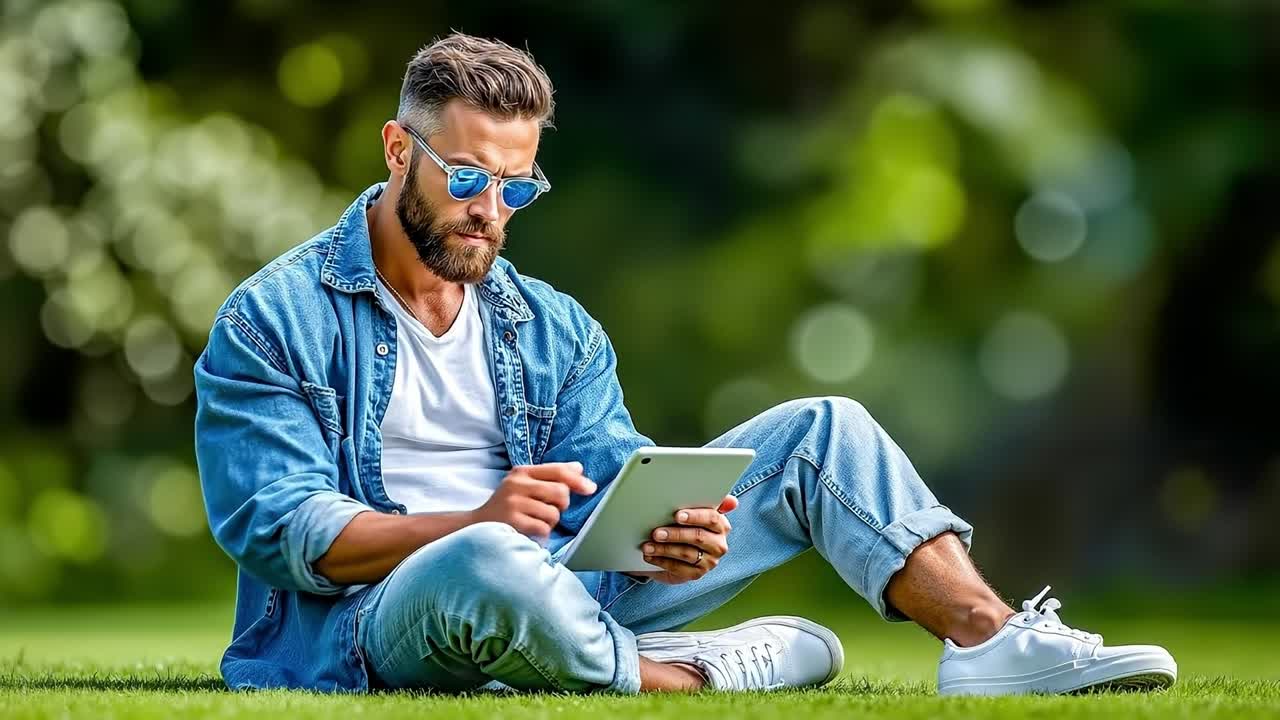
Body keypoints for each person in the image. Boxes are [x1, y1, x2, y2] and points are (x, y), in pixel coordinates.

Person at [193, 32, 1178, 696]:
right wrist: (475, 520)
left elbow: (610, 483)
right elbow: (285, 531)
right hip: (369, 623)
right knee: (489, 559)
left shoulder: (551, 327)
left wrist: (665, 534)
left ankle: (986, 639)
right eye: (463, 178)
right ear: (396, 149)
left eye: (513, 189)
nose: (487, 211)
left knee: (821, 431)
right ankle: (677, 674)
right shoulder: (272, 319)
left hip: (561, 583)